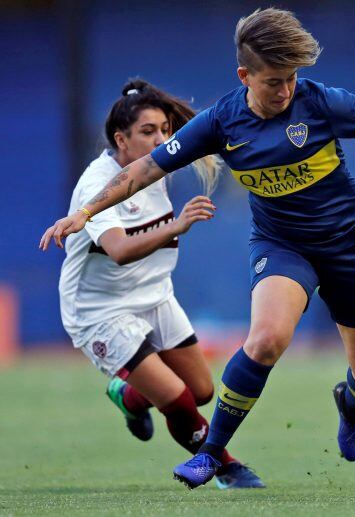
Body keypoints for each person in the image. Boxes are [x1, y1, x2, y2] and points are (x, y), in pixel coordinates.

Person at [40, 8, 355, 490]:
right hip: (282, 244)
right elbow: (141, 171)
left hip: (352, 244)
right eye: (274, 81)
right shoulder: (221, 122)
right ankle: (211, 455)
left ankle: (351, 404)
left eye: (292, 78)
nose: (286, 90)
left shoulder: (323, 103)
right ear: (244, 76)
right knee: (267, 339)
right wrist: (84, 213)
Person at [52, 79, 263, 489]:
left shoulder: (157, 168)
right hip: (100, 311)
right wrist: (179, 224)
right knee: (177, 399)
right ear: (121, 139)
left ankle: (128, 396)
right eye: (149, 132)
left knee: (201, 390)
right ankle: (225, 467)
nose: (162, 139)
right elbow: (119, 250)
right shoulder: (99, 184)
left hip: (155, 297)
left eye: (166, 130)